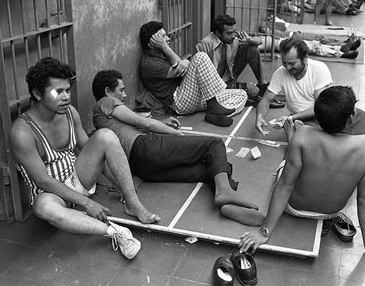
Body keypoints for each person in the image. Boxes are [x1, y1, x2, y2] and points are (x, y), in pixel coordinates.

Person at [10, 57, 160, 259]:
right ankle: (114, 232)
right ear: (37, 94)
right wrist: (87, 203)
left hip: (77, 179)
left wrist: (119, 185)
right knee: (43, 207)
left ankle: (134, 204)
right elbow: (43, 181)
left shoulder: (70, 113)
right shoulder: (22, 132)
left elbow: (92, 148)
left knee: (105, 135)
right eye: (58, 92)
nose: (65, 97)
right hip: (50, 193)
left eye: (67, 90)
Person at [236, 86, 365, 261]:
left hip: (294, 209)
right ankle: (293, 145)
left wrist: (264, 232)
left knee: (288, 164)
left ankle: (291, 142)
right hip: (331, 212)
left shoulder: (303, 134)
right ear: (351, 118)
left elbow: (285, 186)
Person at [91, 70, 261, 225]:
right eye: (121, 90)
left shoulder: (101, 121)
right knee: (214, 144)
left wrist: (122, 185)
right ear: (107, 91)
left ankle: (228, 205)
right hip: (145, 147)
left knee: (207, 169)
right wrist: (175, 134)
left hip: (142, 169)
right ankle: (225, 191)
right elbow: (147, 124)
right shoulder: (105, 102)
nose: (125, 94)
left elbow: (130, 130)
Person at [138, 21, 247, 127]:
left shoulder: (161, 52)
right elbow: (181, 70)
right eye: (162, 37)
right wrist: (168, 50)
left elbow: (182, 65)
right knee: (200, 57)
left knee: (241, 94)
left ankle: (214, 114)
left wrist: (185, 62)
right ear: (151, 43)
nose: (167, 39)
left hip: (193, 95)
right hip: (180, 101)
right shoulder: (149, 64)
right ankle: (213, 106)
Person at [255, 37, 365, 136]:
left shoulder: (319, 69)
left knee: (357, 117)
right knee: (308, 136)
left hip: (321, 116)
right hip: (300, 119)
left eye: (292, 64)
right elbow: (266, 99)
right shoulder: (280, 73)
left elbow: (319, 107)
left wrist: (290, 118)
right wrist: (259, 117)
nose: (288, 68)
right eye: (284, 63)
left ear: (304, 59)